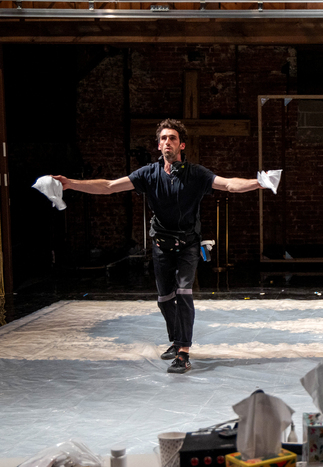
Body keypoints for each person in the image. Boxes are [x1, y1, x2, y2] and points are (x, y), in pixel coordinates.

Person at [53, 119, 269, 374]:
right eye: (164, 138)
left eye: (173, 138)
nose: (168, 142)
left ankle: (183, 352)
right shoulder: (148, 174)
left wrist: (259, 182)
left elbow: (229, 184)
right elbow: (110, 186)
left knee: (184, 292)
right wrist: (70, 183)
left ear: (182, 145)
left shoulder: (196, 173)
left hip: (188, 244)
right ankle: (176, 340)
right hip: (161, 245)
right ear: (158, 145)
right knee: (165, 299)